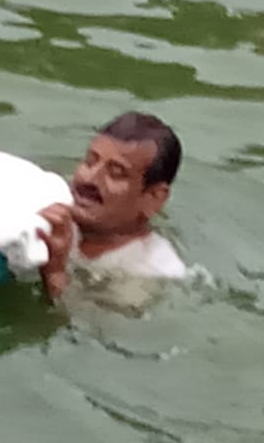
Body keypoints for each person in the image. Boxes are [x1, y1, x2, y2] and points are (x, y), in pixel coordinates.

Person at [36, 111, 187, 302]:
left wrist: (55, 273)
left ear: (154, 198)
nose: (89, 178)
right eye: (90, 161)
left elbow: (90, 326)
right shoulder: (55, 206)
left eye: (116, 173)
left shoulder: (151, 272)